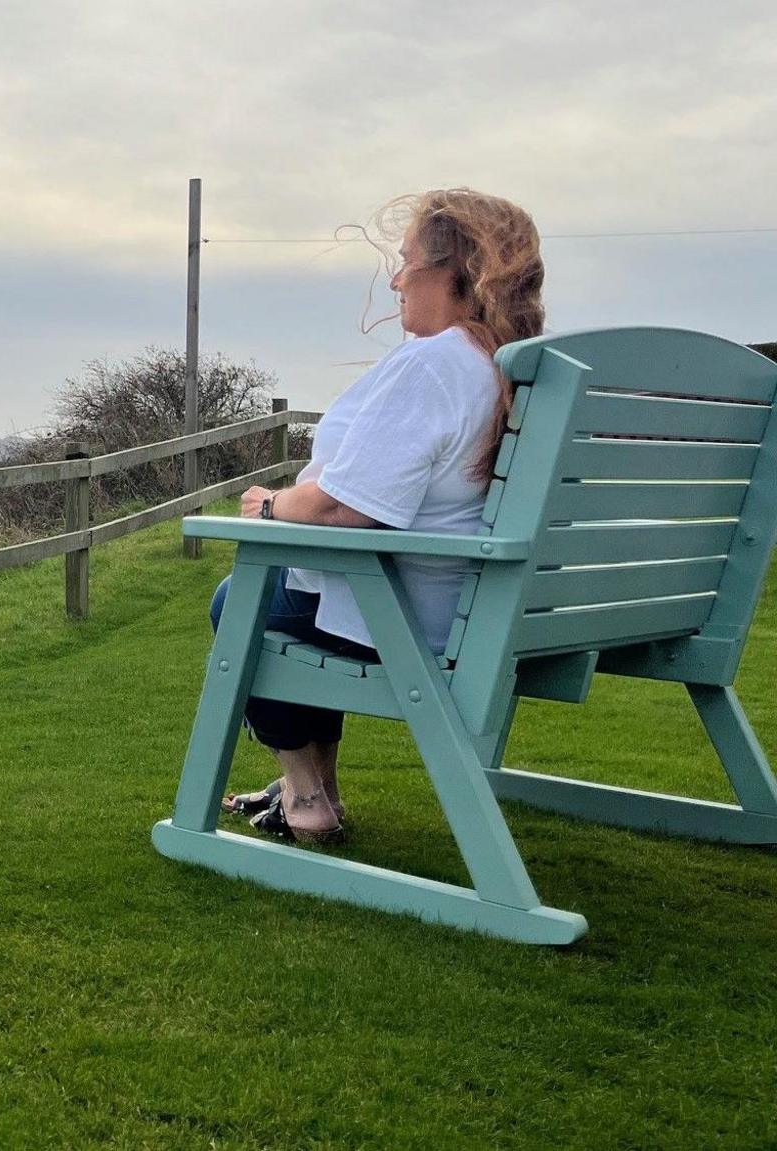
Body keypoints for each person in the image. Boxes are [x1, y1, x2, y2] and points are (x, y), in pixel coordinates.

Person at [209, 188, 547, 842]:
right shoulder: (511, 370)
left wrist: (273, 504)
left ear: (461, 272)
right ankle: (316, 788)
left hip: (415, 620)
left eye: (407, 260)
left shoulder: (441, 362)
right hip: (489, 613)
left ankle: (305, 795)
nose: (395, 278)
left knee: (241, 598)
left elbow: (344, 506)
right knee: (290, 594)